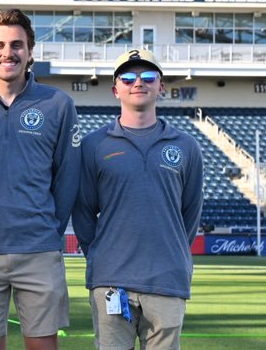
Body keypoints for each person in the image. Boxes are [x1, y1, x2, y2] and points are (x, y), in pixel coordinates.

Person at [0, 9, 80, 350]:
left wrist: (49, 230)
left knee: (42, 346)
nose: (8, 52)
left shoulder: (58, 105)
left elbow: (67, 177)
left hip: (38, 248)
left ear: (31, 51)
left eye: (17, 44)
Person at [73, 49, 204, 350]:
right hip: (111, 281)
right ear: (115, 88)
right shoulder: (94, 145)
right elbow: (83, 212)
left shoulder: (187, 146)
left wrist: (171, 256)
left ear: (162, 87)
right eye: (128, 77)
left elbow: (190, 213)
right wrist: (102, 257)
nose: (138, 83)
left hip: (167, 281)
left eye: (148, 76)